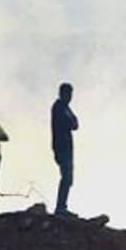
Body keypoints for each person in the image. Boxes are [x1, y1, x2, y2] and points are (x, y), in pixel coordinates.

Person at [50, 82, 79, 217]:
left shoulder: (66, 108)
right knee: (66, 177)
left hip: (67, 146)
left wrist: (73, 122)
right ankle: (60, 208)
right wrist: (72, 122)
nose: (70, 97)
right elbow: (70, 123)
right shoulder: (58, 107)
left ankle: (62, 206)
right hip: (61, 147)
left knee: (68, 178)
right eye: (68, 94)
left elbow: (75, 124)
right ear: (62, 94)